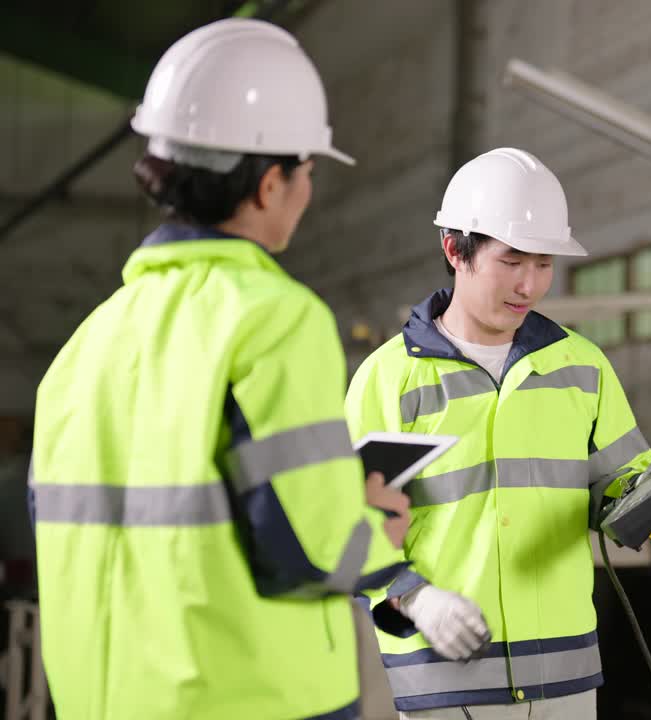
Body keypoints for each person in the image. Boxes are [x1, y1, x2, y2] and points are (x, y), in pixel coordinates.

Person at [27, 18, 410, 720]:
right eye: (308, 173)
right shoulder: (275, 317)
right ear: (270, 184)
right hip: (247, 697)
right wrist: (376, 530)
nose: (306, 192)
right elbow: (308, 545)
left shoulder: (86, 343)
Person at [346, 147, 651, 719]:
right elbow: (351, 523)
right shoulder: (393, 379)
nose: (530, 285)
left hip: (563, 676)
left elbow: (621, 484)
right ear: (454, 251)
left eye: (543, 264)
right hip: (446, 670)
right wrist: (414, 597)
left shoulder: (580, 367)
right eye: (512, 261)